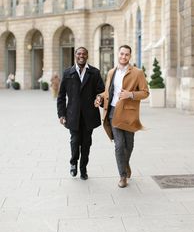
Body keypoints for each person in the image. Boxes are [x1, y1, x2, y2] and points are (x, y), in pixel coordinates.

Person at [95, 45, 149, 188]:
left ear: (129, 56)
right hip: (113, 112)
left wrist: (130, 94)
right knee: (119, 145)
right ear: (118, 54)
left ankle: (125, 165)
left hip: (129, 113)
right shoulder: (111, 72)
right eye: (121, 54)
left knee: (129, 145)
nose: (123, 57)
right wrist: (100, 97)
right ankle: (122, 176)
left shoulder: (138, 73)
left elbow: (145, 92)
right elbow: (108, 92)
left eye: (126, 54)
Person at [57, 47, 105, 180]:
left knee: (86, 143)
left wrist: (99, 99)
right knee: (74, 141)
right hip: (72, 115)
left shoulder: (94, 73)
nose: (81, 56)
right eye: (79, 54)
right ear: (75, 55)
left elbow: (101, 91)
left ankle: (83, 168)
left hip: (89, 116)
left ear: (87, 55)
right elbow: (61, 96)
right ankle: (73, 163)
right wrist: (61, 114)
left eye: (84, 53)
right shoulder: (68, 73)